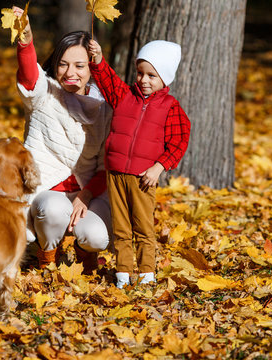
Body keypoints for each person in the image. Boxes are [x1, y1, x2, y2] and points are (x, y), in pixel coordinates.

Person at [12, 7, 113, 274]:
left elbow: (106, 165)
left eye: (80, 66)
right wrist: (25, 39)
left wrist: (86, 195)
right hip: (48, 191)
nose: (70, 72)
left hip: (88, 191)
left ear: (92, 67)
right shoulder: (45, 93)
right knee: (53, 211)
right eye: (63, 64)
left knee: (96, 236)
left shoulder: (105, 107)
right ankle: (47, 257)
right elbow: (29, 76)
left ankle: (84, 255)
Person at [88, 39, 191, 288]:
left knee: (143, 228)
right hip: (116, 174)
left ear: (164, 78)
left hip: (143, 177)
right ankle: (123, 274)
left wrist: (159, 167)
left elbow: (179, 141)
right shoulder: (125, 97)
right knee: (121, 228)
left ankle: (146, 275)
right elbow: (107, 80)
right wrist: (98, 58)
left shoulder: (171, 107)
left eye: (151, 76)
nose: (144, 80)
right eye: (140, 73)